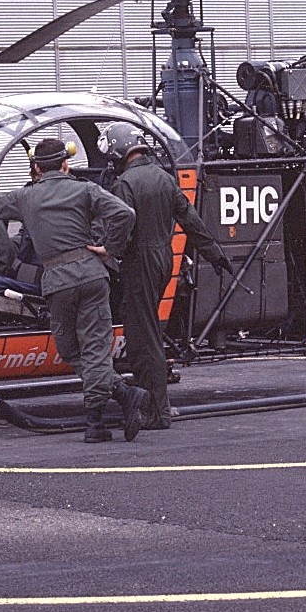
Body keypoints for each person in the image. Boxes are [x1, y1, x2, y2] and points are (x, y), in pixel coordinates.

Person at [0, 137, 151, 443]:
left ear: (36, 168)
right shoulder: (85, 189)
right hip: (92, 275)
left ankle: (97, 420)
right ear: (66, 164)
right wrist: (109, 249)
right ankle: (119, 394)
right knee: (93, 348)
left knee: (68, 347)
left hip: (58, 282)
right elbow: (125, 214)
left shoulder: (27, 197)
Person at [101, 122, 233, 430]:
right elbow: (190, 219)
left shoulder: (125, 184)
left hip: (141, 262)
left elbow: (121, 225)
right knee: (148, 332)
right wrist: (215, 253)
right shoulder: (164, 178)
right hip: (163, 259)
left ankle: (157, 411)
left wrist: (108, 251)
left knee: (142, 339)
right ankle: (156, 405)